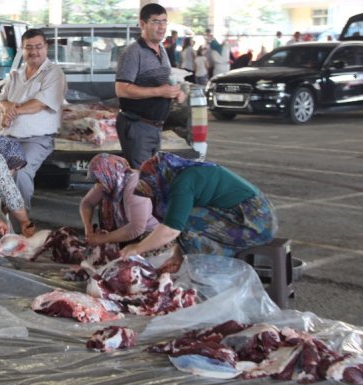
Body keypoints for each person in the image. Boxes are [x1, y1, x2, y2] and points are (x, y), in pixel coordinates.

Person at [120, 153, 278, 274]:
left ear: (159, 178)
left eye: (154, 187)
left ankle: (211, 272)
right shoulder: (181, 175)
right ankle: (209, 266)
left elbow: (171, 230)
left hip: (256, 223)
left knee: (187, 219)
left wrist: (137, 248)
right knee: (187, 219)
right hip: (254, 218)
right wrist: (178, 256)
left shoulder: (183, 183)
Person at [0, 28, 67, 230]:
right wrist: (6, 107)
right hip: (6, 138)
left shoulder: (54, 73)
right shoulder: (15, 75)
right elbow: (0, 99)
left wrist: (13, 110)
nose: (34, 51)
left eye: (39, 47)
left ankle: (21, 229)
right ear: (22, 49)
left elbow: (40, 103)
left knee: (20, 172)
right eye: (29, 47)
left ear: (46, 48)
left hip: (36, 139)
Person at [114, 3, 186, 168]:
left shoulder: (161, 49)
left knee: (150, 177)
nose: (161, 27)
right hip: (138, 126)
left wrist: (175, 91)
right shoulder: (133, 52)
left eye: (164, 21)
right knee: (140, 179)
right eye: (155, 22)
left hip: (155, 126)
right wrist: (160, 91)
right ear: (142, 24)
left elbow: (163, 80)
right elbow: (121, 89)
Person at [79, 154, 160, 248]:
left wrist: (101, 239)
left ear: (108, 174)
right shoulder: (111, 180)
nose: (98, 185)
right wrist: (88, 227)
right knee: (105, 197)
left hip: (148, 233)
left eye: (100, 181)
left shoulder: (135, 188)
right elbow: (86, 203)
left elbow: (137, 228)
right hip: (128, 229)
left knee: (128, 257)